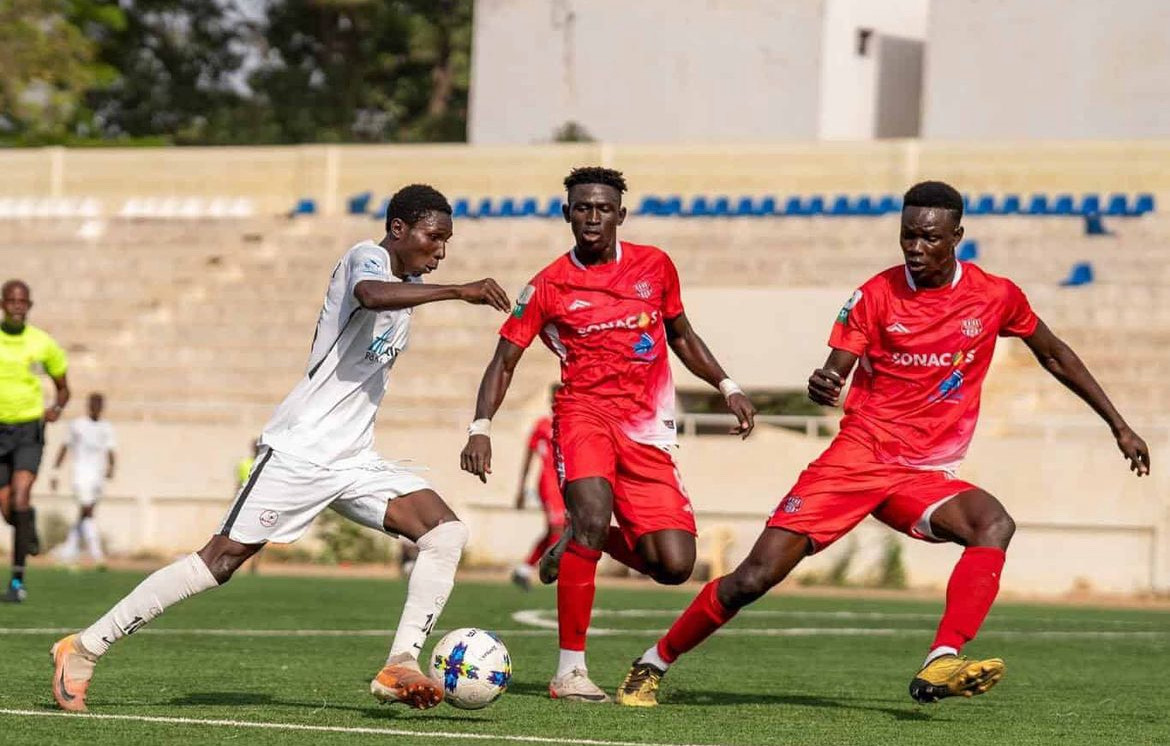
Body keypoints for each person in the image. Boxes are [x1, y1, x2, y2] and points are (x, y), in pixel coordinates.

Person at [613, 181, 1151, 707]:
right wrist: (827, 381)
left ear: (956, 236)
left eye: (929, 237)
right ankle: (653, 662)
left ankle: (942, 657)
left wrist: (1118, 425)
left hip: (924, 475)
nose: (915, 247)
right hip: (857, 459)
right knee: (752, 579)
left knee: (993, 524)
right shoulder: (875, 294)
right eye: (907, 235)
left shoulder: (995, 296)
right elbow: (837, 367)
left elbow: (1053, 353)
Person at [50, 184, 512, 713]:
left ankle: (400, 662)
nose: (441, 251)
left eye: (447, 241)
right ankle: (84, 647)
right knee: (220, 561)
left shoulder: (408, 284)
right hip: (299, 450)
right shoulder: (366, 257)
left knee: (445, 532)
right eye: (434, 237)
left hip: (353, 459)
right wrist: (457, 291)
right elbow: (370, 295)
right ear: (399, 229)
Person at [461, 167, 756, 702]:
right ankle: (569, 671)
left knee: (674, 565)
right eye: (582, 208)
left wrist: (727, 385)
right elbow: (504, 361)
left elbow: (682, 335)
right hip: (584, 416)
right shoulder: (548, 284)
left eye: (602, 208)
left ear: (620, 214)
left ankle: (575, 540)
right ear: (567, 214)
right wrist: (481, 426)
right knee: (594, 516)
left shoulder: (655, 266)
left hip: (646, 428)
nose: (592, 217)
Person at [0, 279, 70, 603]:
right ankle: (28, 528)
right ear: (3, 304)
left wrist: (56, 409)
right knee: (7, 509)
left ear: (29, 305)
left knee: (21, 497)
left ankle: (17, 583)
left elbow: (63, 387)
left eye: (22, 301)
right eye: (11, 301)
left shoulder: (42, 343)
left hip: (29, 429)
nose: (17, 306)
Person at [51, 393, 116, 567]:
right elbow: (64, 447)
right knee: (87, 511)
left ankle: (68, 550)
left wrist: (111, 467)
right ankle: (96, 553)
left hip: (97, 477)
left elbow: (110, 450)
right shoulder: (77, 425)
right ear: (88, 405)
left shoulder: (106, 427)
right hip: (80, 475)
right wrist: (55, 472)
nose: (96, 408)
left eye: (99, 405)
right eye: (94, 404)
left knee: (85, 513)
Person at [511, 385, 566, 591]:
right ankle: (554, 569)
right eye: (555, 397)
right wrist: (521, 488)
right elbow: (529, 456)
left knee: (559, 528)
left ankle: (524, 569)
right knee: (557, 527)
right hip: (549, 482)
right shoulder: (543, 425)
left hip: (566, 483)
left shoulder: (571, 424)